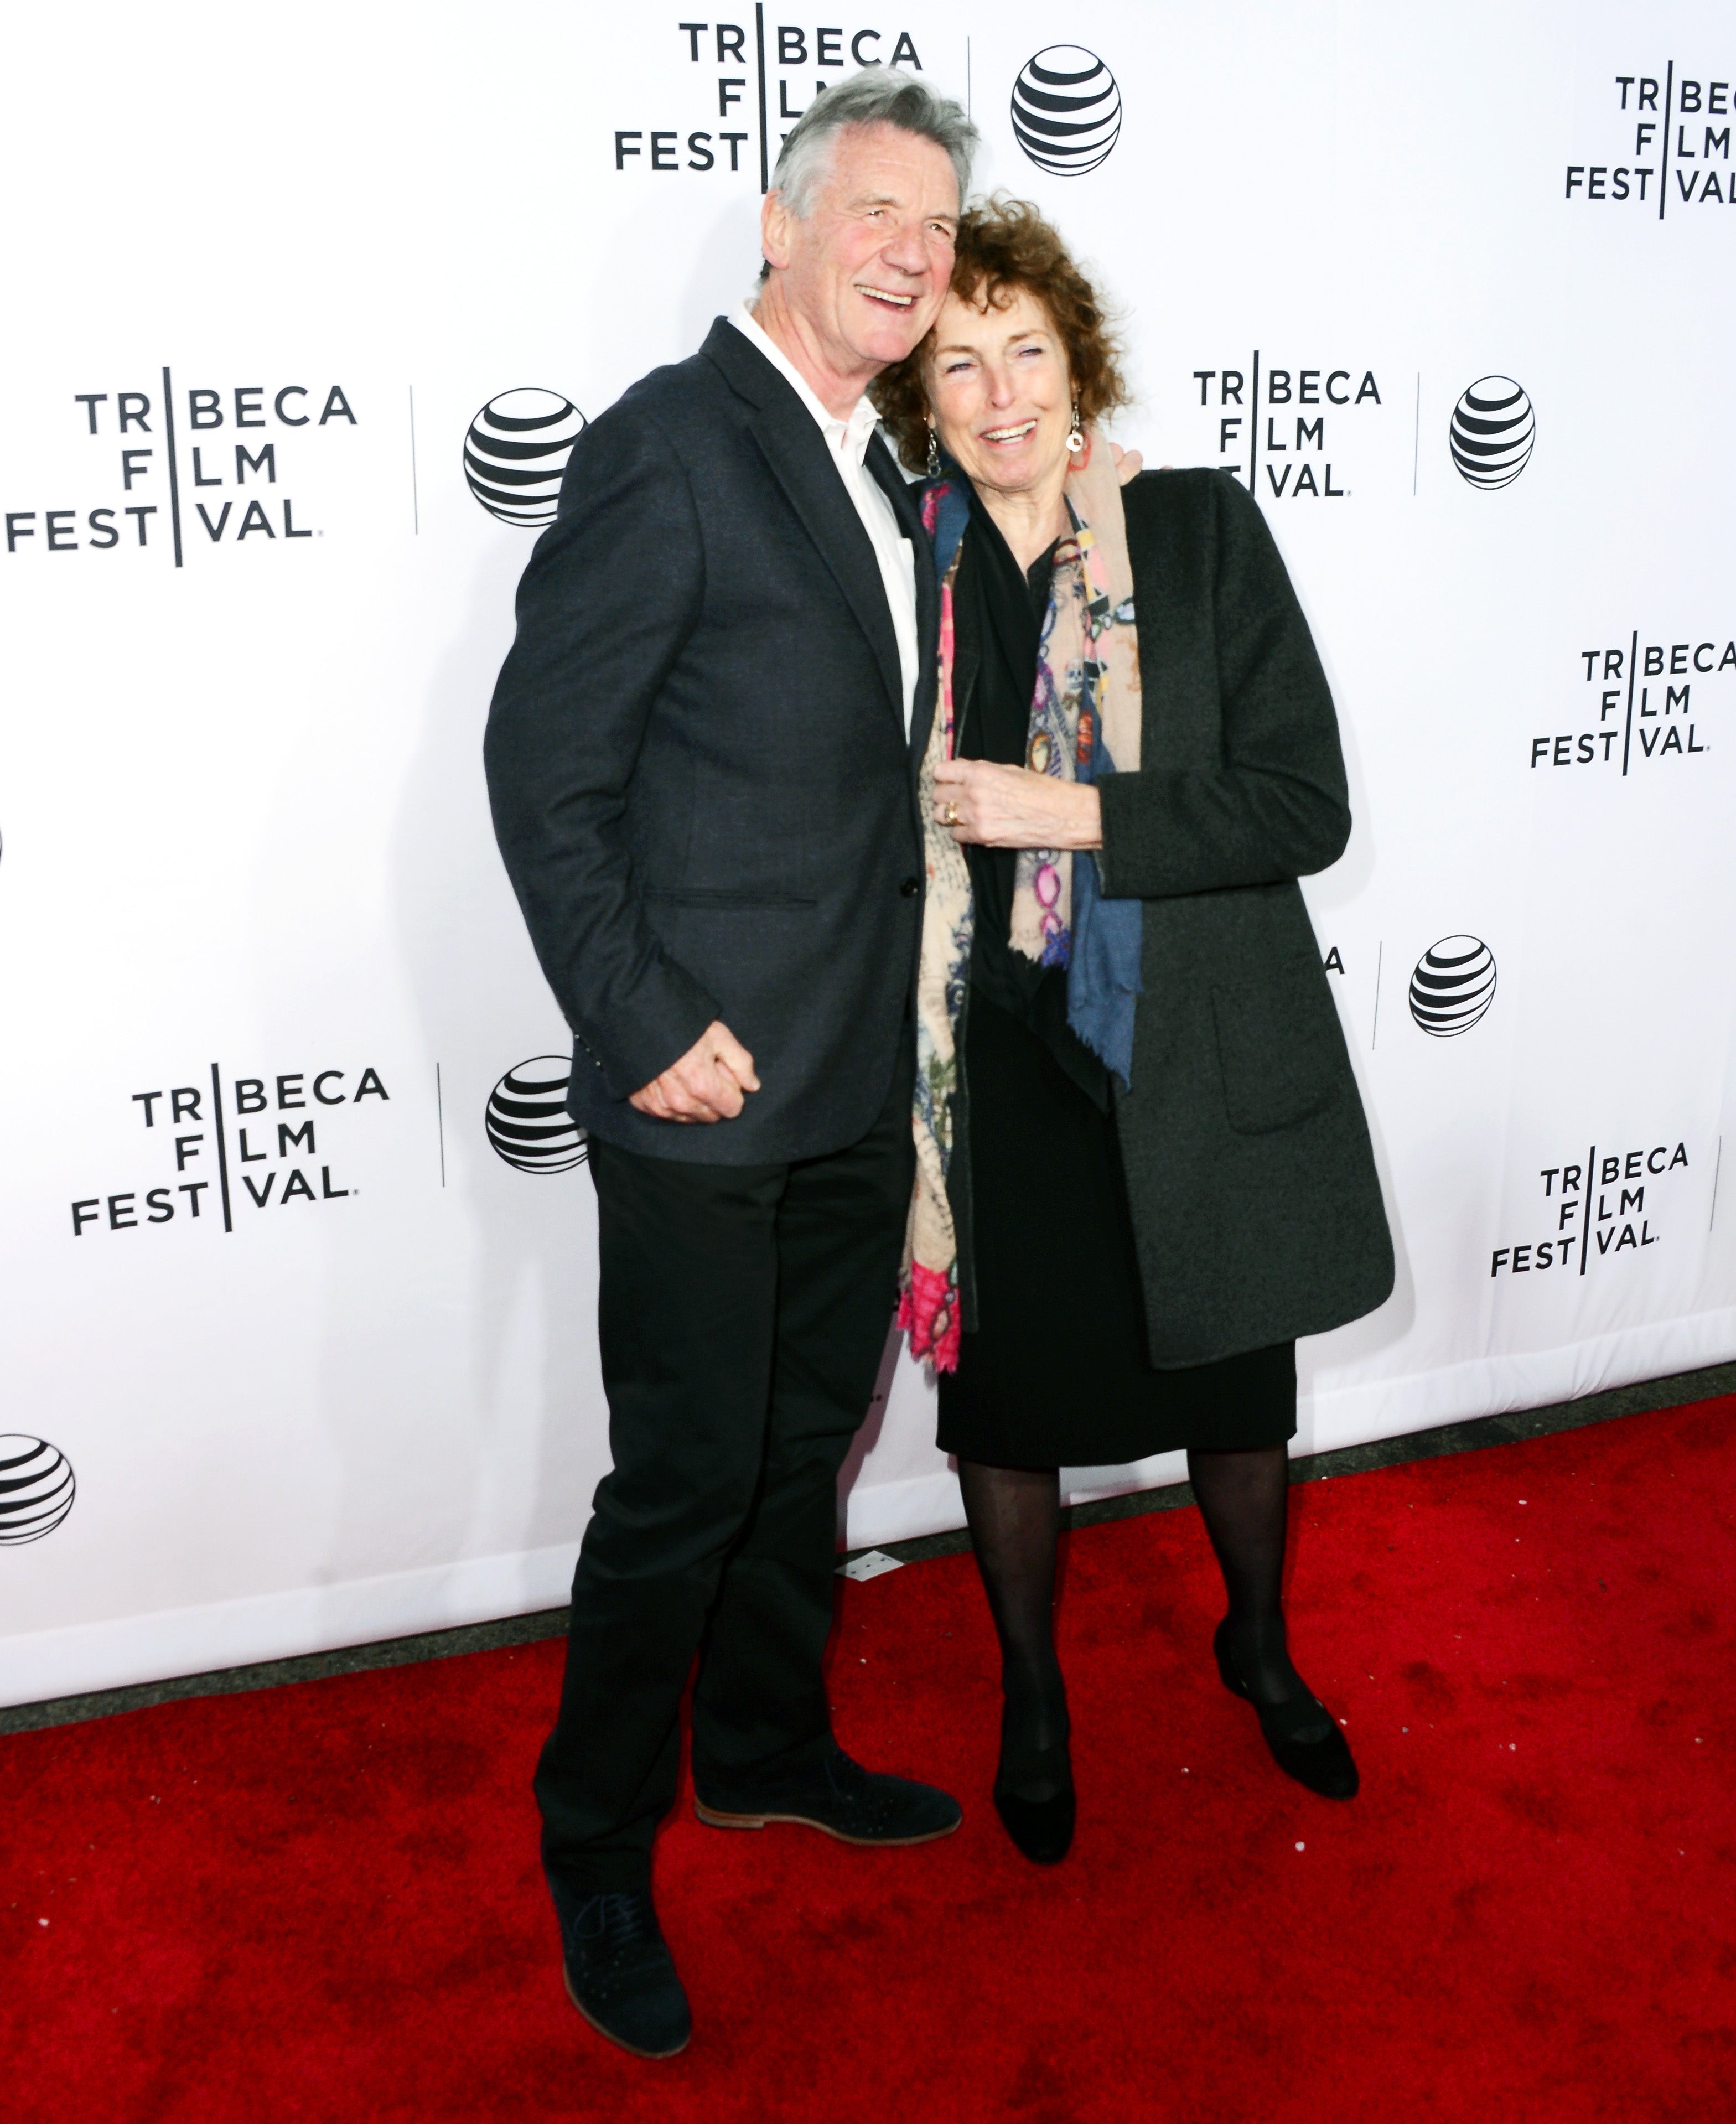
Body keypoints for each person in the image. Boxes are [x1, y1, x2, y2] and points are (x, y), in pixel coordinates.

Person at [483, 69, 979, 2058]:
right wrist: (637, 1022)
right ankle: (594, 1843)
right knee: (683, 1482)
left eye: (936, 228)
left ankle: (765, 1743)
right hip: (700, 1086)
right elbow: (546, 770)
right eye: (873, 210)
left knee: (801, 1454)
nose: (909, 253)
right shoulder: (672, 444)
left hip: (854, 1075)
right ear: (775, 229)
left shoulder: (882, 467)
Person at [871, 200, 1396, 1865]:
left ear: (1077, 364)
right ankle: (1032, 1694)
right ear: (921, 399)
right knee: (1011, 1414)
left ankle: (1258, 1643)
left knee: (1238, 1395)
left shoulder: (1194, 531)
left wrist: (1072, 811)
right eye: (959, 362)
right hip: (1002, 1058)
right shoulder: (910, 572)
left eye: (1025, 348)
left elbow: (1298, 803)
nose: (1000, 390)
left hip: (1194, 1047)